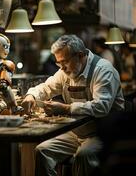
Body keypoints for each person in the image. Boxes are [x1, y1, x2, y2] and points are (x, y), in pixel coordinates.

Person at [21, 34, 124, 176]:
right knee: (42, 150)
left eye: (65, 62)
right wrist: (31, 95)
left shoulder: (103, 70)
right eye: (58, 63)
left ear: (81, 55)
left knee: (84, 155)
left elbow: (102, 106)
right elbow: (46, 87)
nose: (62, 68)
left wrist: (66, 108)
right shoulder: (65, 71)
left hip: (104, 133)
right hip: (77, 132)